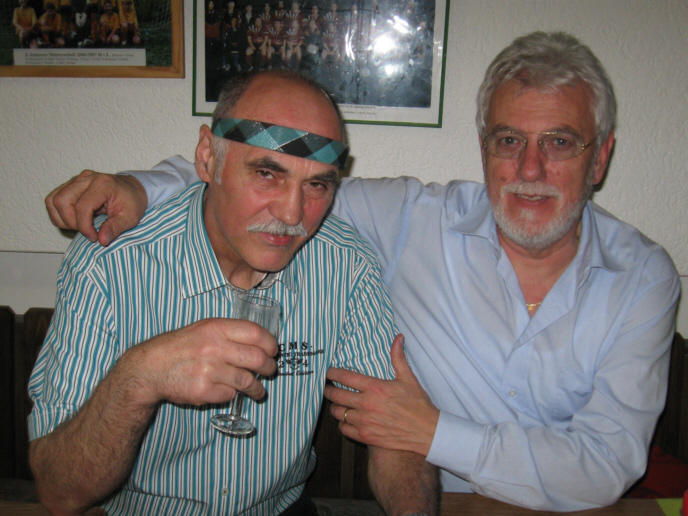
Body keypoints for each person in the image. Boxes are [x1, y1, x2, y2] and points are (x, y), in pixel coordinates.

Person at [44, 32, 681, 511]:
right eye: (509, 140)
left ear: (600, 158)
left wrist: (432, 432)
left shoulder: (645, 278)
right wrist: (138, 188)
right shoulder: (115, 260)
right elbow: (265, 167)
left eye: (560, 142)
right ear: (485, 147)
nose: (530, 169)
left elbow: (608, 461)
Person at [31, 71, 439, 516]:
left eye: (317, 184)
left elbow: (394, 433)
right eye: (267, 173)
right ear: (208, 158)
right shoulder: (108, 262)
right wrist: (139, 377)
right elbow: (59, 491)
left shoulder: (347, 264)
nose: (292, 214)